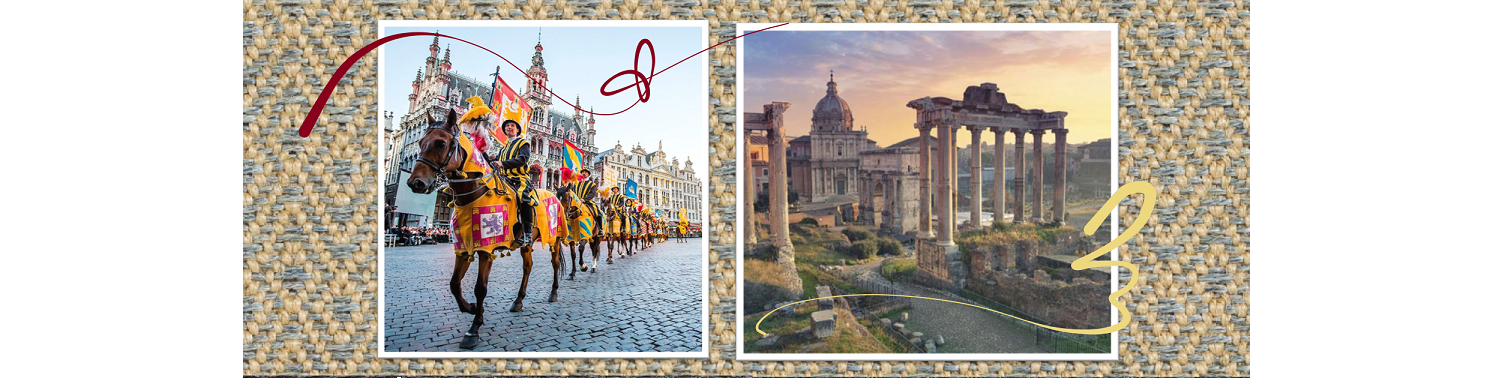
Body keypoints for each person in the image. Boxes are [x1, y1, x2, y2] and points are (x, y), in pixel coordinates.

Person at [491, 118, 537, 248]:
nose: (509, 127)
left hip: (519, 178)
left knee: (523, 197)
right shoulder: (504, 148)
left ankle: (528, 233)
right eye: (507, 126)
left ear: (517, 130)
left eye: (512, 125)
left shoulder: (523, 143)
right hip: (503, 179)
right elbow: (495, 161)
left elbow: (523, 160)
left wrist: (503, 163)